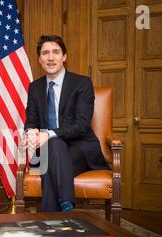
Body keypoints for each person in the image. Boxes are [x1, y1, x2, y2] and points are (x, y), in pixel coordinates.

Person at [25, 35, 109, 212]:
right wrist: (31, 132)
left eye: (56, 52)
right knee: (52, 148)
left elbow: (82, 125)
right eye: (45, 53)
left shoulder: (82, 83)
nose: (50, 57)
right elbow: (31, 121)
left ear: (64, 56)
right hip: (49, 150)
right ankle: (66, 209)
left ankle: (49, 220)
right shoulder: (35, 87)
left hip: (80, 148)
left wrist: (48, 134)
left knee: (51, 150)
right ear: (39, 59)